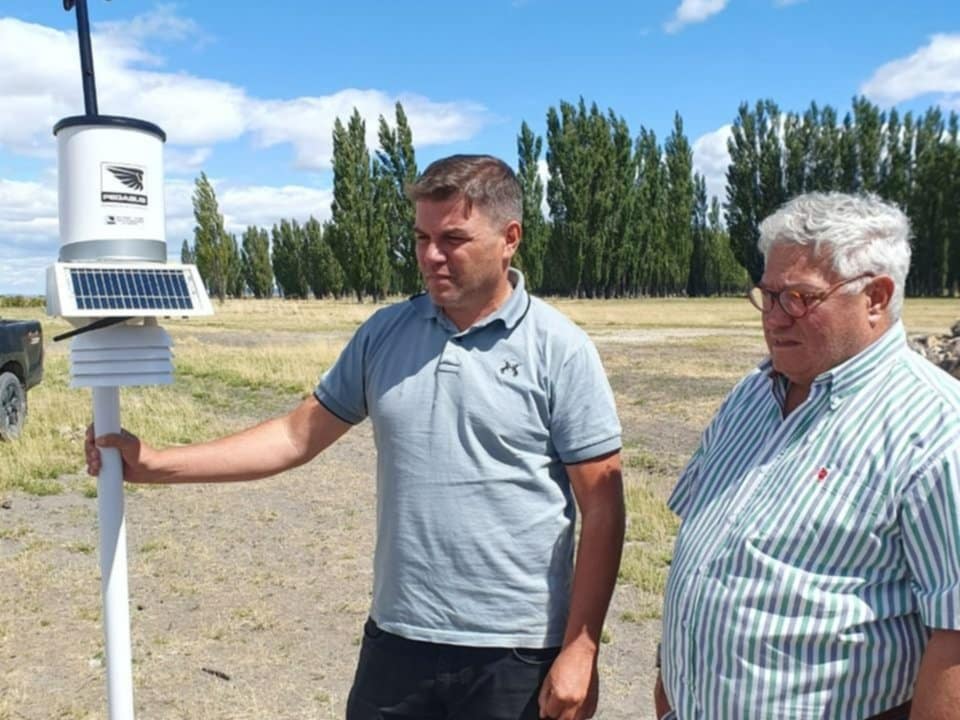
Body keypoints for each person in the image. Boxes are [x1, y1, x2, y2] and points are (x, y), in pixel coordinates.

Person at [86, 154, 625, 720]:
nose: (431, 256)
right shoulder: (384, 334)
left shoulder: (559, 349)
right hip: (398, 638)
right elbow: (296, 437)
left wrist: (580, 648)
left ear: (509, 238)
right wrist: (154, 463)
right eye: (421, 237)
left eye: (453, 239)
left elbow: (603, 505)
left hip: (516, 653)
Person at [654, 192, 960, 720]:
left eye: (798, 298)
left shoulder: (935, 431)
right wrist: (669, 685)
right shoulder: (752, 394)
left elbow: (954, 638)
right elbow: (701, 552)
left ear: (876, 298)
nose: (773, 319)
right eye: (767, 295)